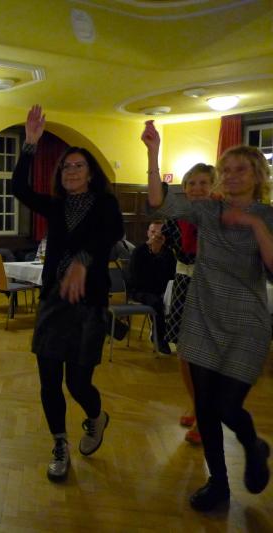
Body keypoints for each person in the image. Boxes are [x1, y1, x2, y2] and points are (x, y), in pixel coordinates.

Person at [143, 120, 272, 511]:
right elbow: (159, 201)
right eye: (226, 169)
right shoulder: (207, 210)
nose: (231, 175)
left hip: (246, 323)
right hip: (202, 317)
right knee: (204, 405)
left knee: (228, 406)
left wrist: (253, 224)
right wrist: (153, 152)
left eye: (240, 169)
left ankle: (252, 445)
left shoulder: (267, 216)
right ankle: (218, 483)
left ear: (257, 175)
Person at [13, 105, 123, 482]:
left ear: (90, 173)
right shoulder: (57, 205)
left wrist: (82, 261)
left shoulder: (106, 204)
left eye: (78, 166)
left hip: (89, 305)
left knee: (77, 382)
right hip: (53, 302)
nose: (71, 171)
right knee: (48, 379)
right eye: (66, 167)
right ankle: (59, 442)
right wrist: (30, 143)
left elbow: (111, 234)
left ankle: (96, 416)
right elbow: (19, 188)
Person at [159, 163, 216, 445]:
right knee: (184, 352)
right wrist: (156, 244)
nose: (197, 188)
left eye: (203, 183)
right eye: (192, 183)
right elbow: (163, 246)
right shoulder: (177, 216)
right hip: (183, 282)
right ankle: (196, 404)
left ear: (214, 186)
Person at [128, 220, 176, 354]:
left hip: (161, 289)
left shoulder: (168, 252)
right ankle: (159, 339)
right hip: (140, 291)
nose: (156, 236)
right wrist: (154, 255)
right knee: (156, 302)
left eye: (159, 233)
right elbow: (137, 279)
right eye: (153, 232)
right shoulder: (139, 251)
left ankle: (177, 337)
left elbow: (171, 275)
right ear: (148, 233)